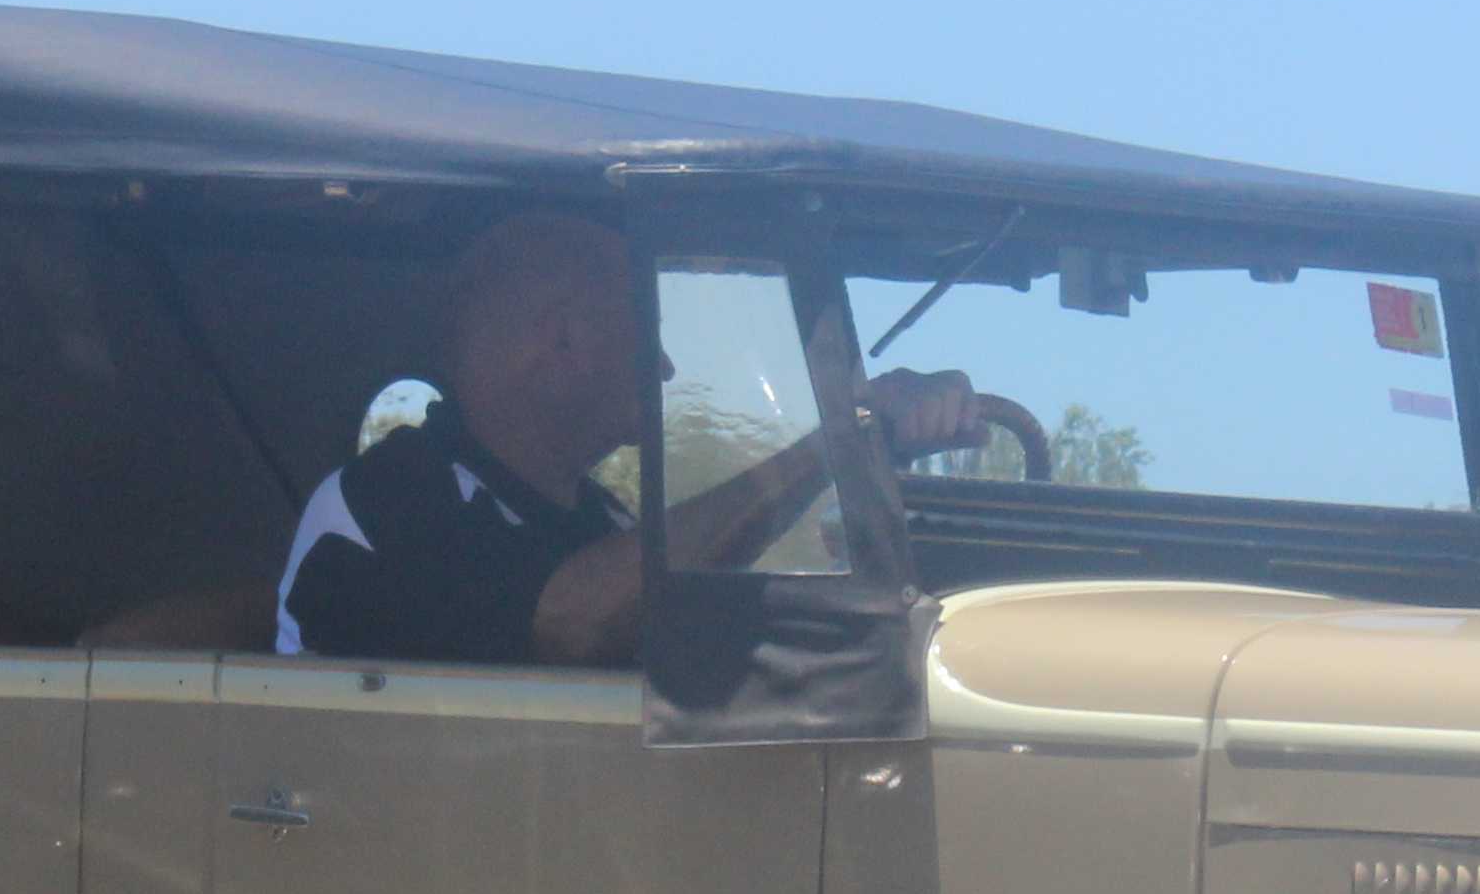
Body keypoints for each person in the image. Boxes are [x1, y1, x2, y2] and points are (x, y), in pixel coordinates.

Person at [270, 210, 981, 668]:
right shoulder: (385, 501)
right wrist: (832, 445)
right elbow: (570, 622)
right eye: (649, 337)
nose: (667, 368)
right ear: (568, 341)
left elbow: (695, 630)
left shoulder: (601, 520)